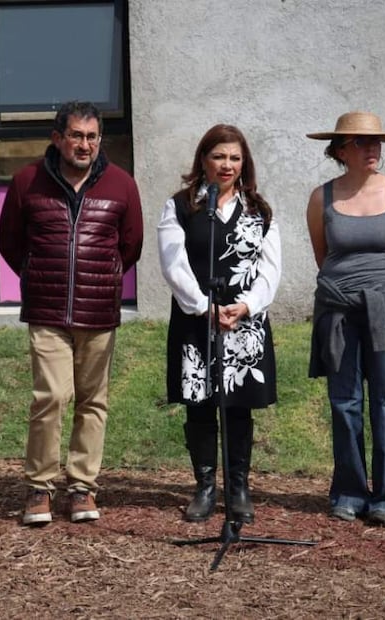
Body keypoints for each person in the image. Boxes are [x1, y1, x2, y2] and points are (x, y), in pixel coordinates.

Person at [0, 101, 144, 526]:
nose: (85, 144)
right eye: (77, 136)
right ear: (57, 137)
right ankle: (39, 488)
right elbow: (10, 241)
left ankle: (82, 487)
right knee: (50, 397)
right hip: (47, 309)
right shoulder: (28, 181)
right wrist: (35, 273)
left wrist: (108, 275)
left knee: (92, 401)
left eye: (92, 136)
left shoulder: (121, 184)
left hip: (98, 311)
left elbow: (129, 244)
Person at [158, 124, 281, 524]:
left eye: (234, 157)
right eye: (219, 156)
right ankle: (205, 486)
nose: (226, 165)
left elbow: (270, 271)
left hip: (243, 324)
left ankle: (240, 487)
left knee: (239, 406)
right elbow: (173, 264)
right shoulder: (180, 206)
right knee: (200, 405)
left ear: (244, 163)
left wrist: (245, 306)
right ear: (203, 160)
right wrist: (204, 307)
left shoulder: (259, 211)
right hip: (197, 321)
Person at [305, 111, 385, 528]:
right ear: (340, 151)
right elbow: (324, 256)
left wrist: (379, 292)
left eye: (376, 142)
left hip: (384, 310)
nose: (372, 149)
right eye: (361, 142)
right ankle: (349, 494)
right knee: (344, 402)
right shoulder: (323, 198)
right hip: (337, 311)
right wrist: (349, 290)